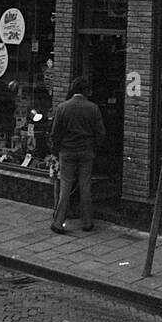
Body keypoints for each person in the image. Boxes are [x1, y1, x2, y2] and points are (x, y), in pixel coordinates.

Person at [49, 75, 106, 233]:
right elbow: (101, 133)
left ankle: (59, 222)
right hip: (87, 151)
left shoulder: (63, 107)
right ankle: (87, 222)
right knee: (85, 186)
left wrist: (56, 148)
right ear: (86, 91)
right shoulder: (93, 108)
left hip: (67, 151)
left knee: (65, 186)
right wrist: (95, 148)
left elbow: (55, 133)